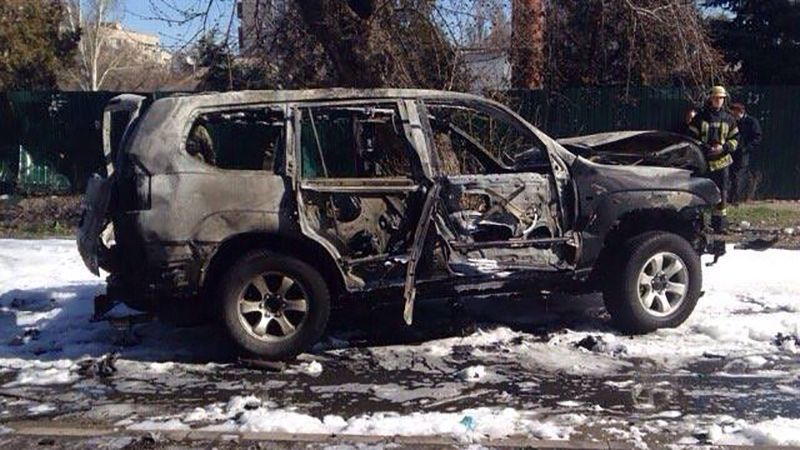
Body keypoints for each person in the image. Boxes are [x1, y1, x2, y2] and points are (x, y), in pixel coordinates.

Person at [688, 86, 739, 233]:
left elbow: (735, 139)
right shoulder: (700, 118)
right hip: (703, 161)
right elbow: (691, 138)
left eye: (721, 98)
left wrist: (724, 148)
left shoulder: (729, 119)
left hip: (722, 162)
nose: (719, 101)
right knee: (700, 192)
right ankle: (699, 225)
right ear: (711, 98)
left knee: (721, 193)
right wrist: (705, 148)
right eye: (716, 98)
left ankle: (719, 225)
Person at [729, 103, 763, 204]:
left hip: (744, 152)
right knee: (732, 174)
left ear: (741, 112)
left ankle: (736, 198)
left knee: (739, 174)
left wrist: (747, 148)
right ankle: (731, 197)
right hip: (733, 151)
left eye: (735, 113)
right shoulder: (733, 122)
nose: (733, 115)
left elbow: (757, 137)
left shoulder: (751, 122)